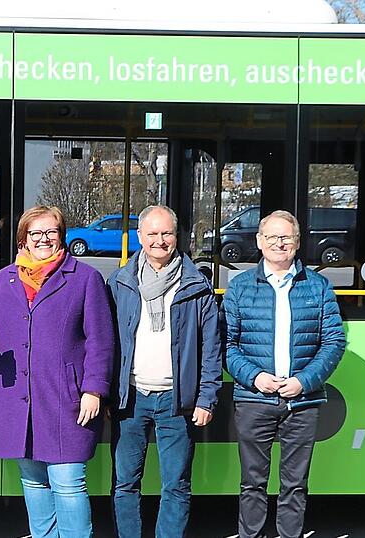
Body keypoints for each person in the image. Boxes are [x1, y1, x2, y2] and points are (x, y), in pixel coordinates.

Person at [0, 205, 114, 538]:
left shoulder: (85, 278)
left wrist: (94, 389)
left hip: (65, 399)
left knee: (68, 483)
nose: (43, 239)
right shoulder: (5, 280)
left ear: (62, 236)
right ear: (23, 240)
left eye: (51, 232)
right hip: (15, 399)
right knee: (33, 481)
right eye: (35, 233)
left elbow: (101, 340)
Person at [224, 209, 346, 538]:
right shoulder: (239, 287)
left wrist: (303, 381)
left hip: (301, 402)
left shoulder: (318, 287)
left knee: (295, 484)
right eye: (272, 237)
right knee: (252, 482)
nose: (279, 243)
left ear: (297, 242)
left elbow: (334, 342)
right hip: (254, 399)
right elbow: (227, 345)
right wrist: (255, 377)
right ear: (259, 241)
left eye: (286, 237)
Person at [107, 205, 223, 538]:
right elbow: (106, 342)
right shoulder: (119, 282)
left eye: (167, 233)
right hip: (130, 399)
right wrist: (106, 393)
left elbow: (211, 347)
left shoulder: (196, 285)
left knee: (176, 484)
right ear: (139, 237)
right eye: (153, 233)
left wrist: (206, 398)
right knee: (125, 483)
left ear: (177, 236)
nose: (160, 240)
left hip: (178, 401)